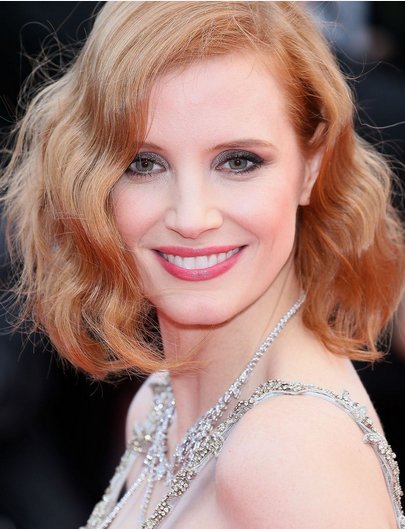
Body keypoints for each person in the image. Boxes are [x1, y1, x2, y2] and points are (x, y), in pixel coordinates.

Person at [1, 2, 405, 528]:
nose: (191, 218)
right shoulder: (159, 403)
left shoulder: (286, 455)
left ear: (312, 166)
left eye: (239, 162)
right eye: (143, 163)